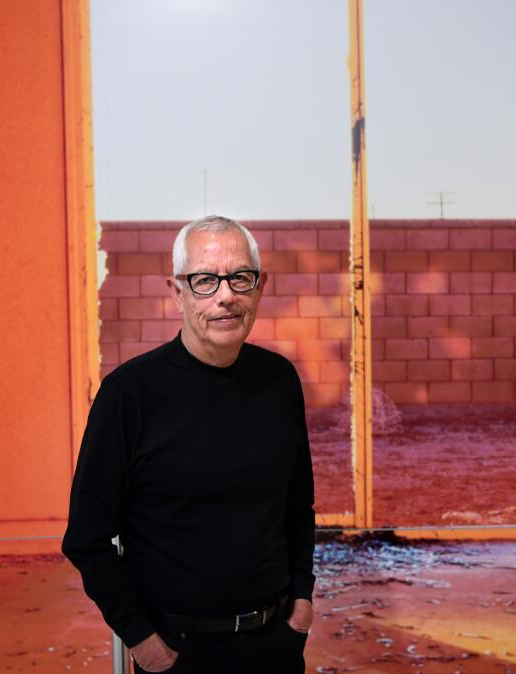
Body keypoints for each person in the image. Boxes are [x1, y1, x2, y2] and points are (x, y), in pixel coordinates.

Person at [62, 215, 316, 673]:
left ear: (259, 287)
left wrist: (301, 602)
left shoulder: (279, 381)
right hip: (177, 655)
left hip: (275, 646)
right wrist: (143, 641)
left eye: (240, 278)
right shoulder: (129, 394)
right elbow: (87, 540)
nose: (226, 296)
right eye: (204, 280)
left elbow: (298, 506)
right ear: (176, 292)